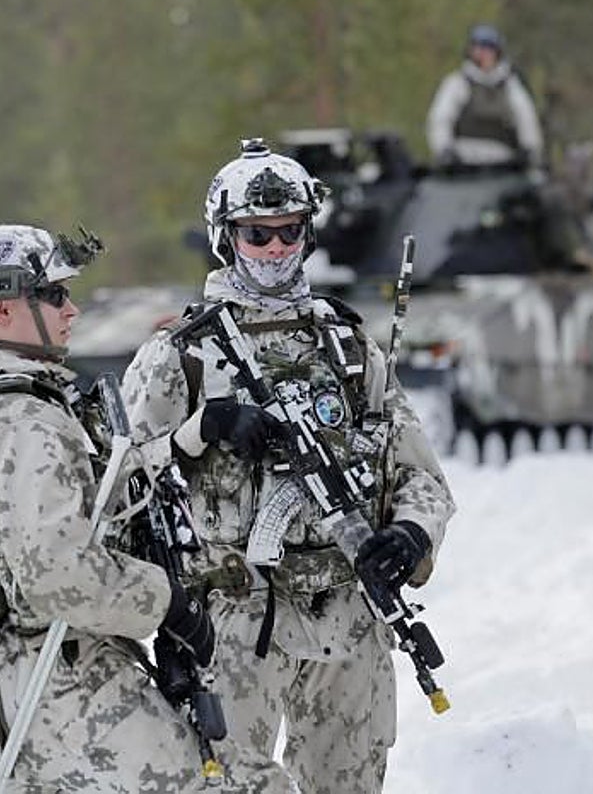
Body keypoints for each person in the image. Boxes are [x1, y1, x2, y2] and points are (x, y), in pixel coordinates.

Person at [0, 224, 298, 792]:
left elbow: (104, 496)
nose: (72, 309)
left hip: (19, 674)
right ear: (2, 309)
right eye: (54, 294)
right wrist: (169, 605)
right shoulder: (24, 418)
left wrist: (187, 439)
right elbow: (56, 572)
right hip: (52, 675)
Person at [120, 141, 456, 794]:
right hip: (233, 613)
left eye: (289, 232)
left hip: (348, 608)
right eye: (256, 234)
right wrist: (199, 433)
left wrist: (411, 534)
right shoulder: (179, 355)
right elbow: (122, 487)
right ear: (226, 237)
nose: (275, 250)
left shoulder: (348, 346)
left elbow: (419, 476)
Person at [427, 24, 543, 168]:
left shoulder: (511, 86)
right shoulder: (457, 83)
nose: (483, 54)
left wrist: (530, 150)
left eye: (488, 49)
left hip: (503, 160)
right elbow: (441, 119)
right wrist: (443, 149)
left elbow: (526, 120)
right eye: (479, 48)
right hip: (463, 158)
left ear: (497, 53)